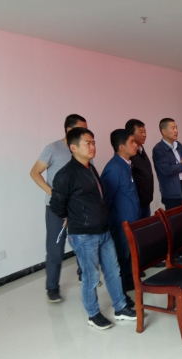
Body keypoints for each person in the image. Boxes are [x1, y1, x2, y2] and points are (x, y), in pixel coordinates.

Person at [50, 127, 136, 330]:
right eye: (87, 143)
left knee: (113, 271)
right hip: (84, 234)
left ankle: (120, 307)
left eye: (94, 142)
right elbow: (57, 205)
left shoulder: (90, 168)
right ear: (73, 147)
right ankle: (93, 314)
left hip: (103, 231)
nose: (92, 146)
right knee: (91, 276)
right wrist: (73, 218)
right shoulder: (66, 175)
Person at [30, 114, 91, 303]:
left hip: (78, 207)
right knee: (55, 248)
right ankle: (52, 287)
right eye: (81, 128)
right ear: (69, 130)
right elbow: (35, 172)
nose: (86, 133)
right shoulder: (53, 148)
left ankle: (83, 275)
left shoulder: (81, 148)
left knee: (82, 243)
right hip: (56, 208)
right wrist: (55, 194)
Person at [100, 129, 139, 300]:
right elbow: (106, 200)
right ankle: (121, 293)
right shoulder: (114, 168)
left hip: (129, 221)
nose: (136, 145)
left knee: (129, 255)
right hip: (120, 223)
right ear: (121, 147)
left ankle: (129, 282)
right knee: (121, 257)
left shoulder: (126, 164)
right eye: (132, 142)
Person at [126, 119, 154, 219]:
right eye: (141, 132)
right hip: (137, 203)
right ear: (131, 134)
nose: (144, 135)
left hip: (146, 200)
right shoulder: (129, 154)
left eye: (145, 131)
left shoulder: (141, 149)